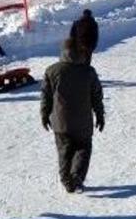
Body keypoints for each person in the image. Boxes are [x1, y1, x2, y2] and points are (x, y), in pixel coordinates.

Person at [40, 39, 104, 194]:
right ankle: (76, 177)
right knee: (83, 149)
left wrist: (44, 114)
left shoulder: (52, 70)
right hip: (83, 122)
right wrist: (100, 115)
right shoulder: (88, 71)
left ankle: (66, 180)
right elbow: (97, 96)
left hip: (61, 122)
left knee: (64, 151)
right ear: (81, 52)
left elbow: (46, 96)